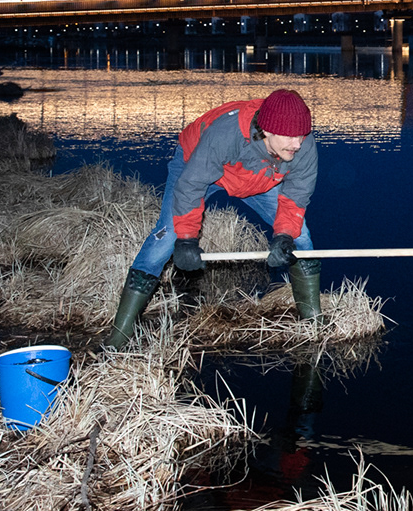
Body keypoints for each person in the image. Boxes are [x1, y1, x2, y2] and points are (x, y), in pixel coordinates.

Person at [106, 88, 322, 349]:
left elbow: (296, 196)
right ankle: (119, 336)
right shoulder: (225, 134)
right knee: (165, 240)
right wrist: (186, 240)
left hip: (258, 178)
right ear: (267, 131)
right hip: (199, 165)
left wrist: (284, 236)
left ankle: (313, 326)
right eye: (290, 137)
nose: (298, 143)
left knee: (301, 238)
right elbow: (192, 185)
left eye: (301, 135)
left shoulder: (302, 146)